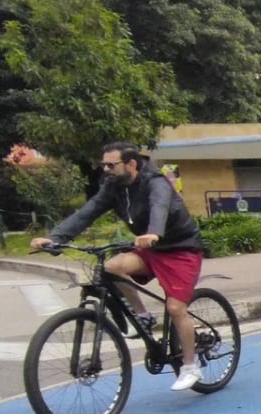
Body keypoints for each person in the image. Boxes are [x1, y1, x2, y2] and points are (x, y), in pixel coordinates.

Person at [32, 141, 207, 391]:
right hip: (151, 249)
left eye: (111, 165)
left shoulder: (155, 182)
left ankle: (190, 366)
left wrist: (154, 232)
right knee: (112, 267)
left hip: (181, 249)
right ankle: (143, 316)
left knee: (176, 307)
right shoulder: (114, 187)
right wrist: (55, 238)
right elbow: (87, 212)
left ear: (131, 164)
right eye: (103, 165)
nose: (105, 170)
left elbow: (159, 206)